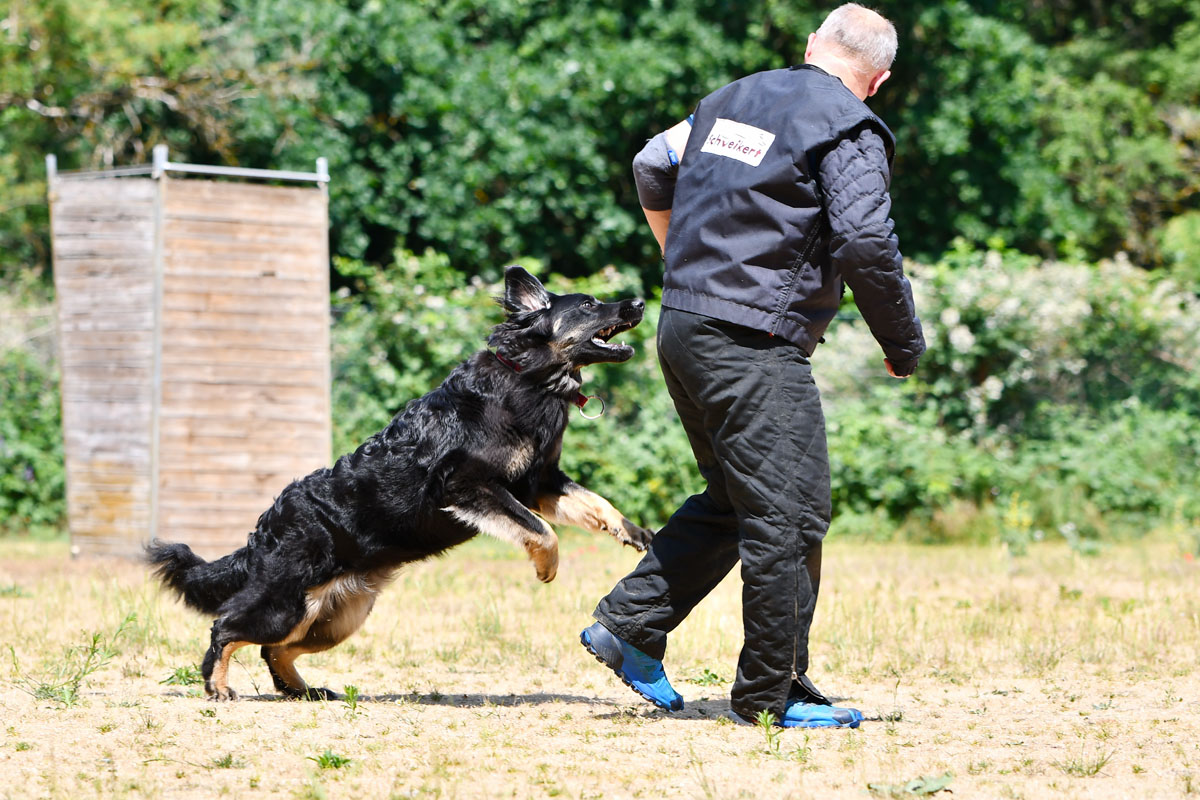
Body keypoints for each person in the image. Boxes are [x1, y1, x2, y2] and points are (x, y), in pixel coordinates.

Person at [579, 3, 926, 728]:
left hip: (684, 324)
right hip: (752, 340)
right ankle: (773, 694)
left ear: (811, 46)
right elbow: (864, 238)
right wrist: (902, 341)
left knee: (738, 502)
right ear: (879, 79)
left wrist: (679, 256)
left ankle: (631, 626)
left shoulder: (728, 99)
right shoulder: (847, 123)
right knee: (790, 516)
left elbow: (650, 162)